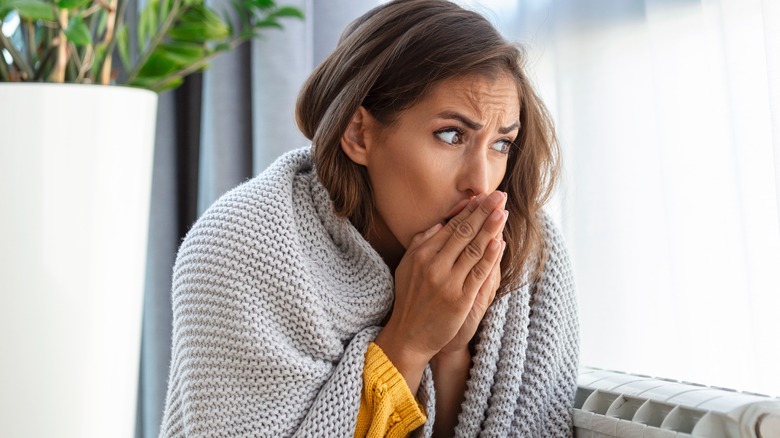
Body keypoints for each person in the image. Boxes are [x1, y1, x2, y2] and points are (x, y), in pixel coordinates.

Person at [158, 0, 579, 436]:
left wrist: (451, 351)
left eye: (501, 144)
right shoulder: (241, 247)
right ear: (359, 133)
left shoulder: (527, 252)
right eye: (451, 135)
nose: (481, 182)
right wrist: (409, 343)